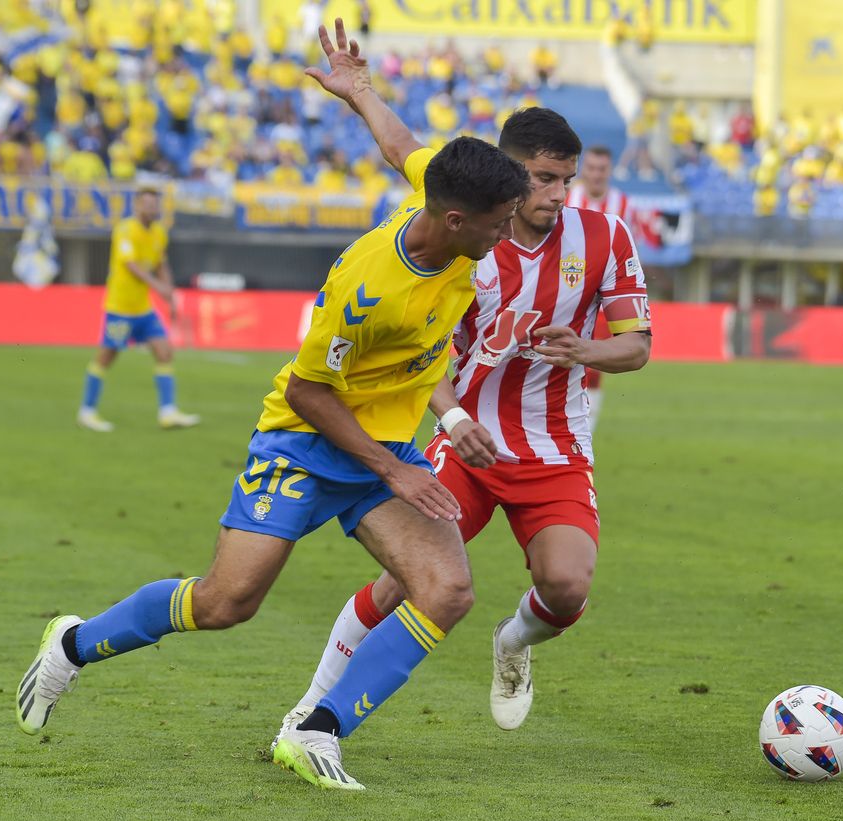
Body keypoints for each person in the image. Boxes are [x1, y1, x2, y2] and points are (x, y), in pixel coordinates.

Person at [17, 19, 530, 791]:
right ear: (456, 219)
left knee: (447, 588)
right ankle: (72, 644)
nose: (507, 234)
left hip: (382, 450)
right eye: (498, 225)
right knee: (227, 602)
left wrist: (359, 90)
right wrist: (392, 467)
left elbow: (401, 147)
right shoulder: (369, 285)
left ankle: (317, 730)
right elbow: (306, 388)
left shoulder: (448, 204)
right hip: (307, 440)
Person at [271, 105, 652, 758]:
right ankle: (309, 710)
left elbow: (638, 345)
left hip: (555, 448)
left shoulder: (607, 238)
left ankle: (513, 641)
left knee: (567, 586)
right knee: (405, 580)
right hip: (467, 442)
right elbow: (426, 357)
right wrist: (451, 416)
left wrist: (586, 351)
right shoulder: (472, 240)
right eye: (543, 179)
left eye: (567, 180)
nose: (558, 194)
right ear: (510, 174)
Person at [77, 183, 200, 432]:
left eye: (154, 204)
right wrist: (158, 286)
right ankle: (87, 411)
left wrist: (169, 292)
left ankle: (168, 412)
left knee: (164, 352)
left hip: (143, 309)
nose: (151, 207)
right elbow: (132, 266)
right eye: (146, 203)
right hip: (121, 309)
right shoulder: (125, 230)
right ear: (136, 205)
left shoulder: (159, 233)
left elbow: (161, 263)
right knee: (106, 357)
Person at [565, 144, 634, 430]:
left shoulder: (623, 205)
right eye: (591, 168)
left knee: (592, 365)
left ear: (609, 171)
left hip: (604, 296)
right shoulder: (569, 198)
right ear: (584, 170)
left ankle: (584, 431)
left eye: (601, 169)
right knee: (564, 360)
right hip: (569, 292)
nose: (595, 175)